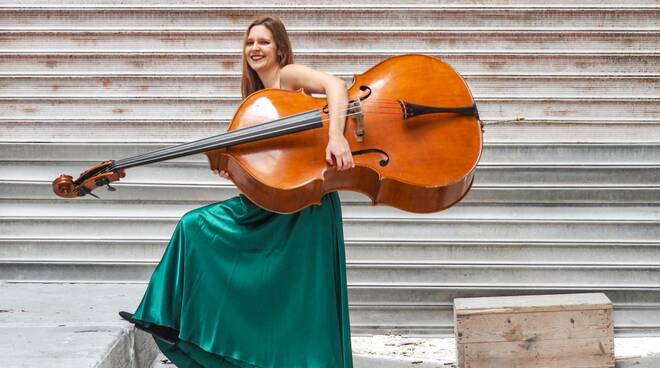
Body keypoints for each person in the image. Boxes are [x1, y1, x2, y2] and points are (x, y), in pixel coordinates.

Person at [119, 15, 355, 367]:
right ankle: (178, 324)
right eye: (249, 43)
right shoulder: (255, 99)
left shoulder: (286, 77)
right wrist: (232, 170)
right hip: (275, 203)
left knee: (303, 300)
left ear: (280, 49)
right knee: (194, 227)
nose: (255, 48)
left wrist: (336, 136)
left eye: (263, 42)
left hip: (307, 203)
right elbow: (270, 167)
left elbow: (337, 86)